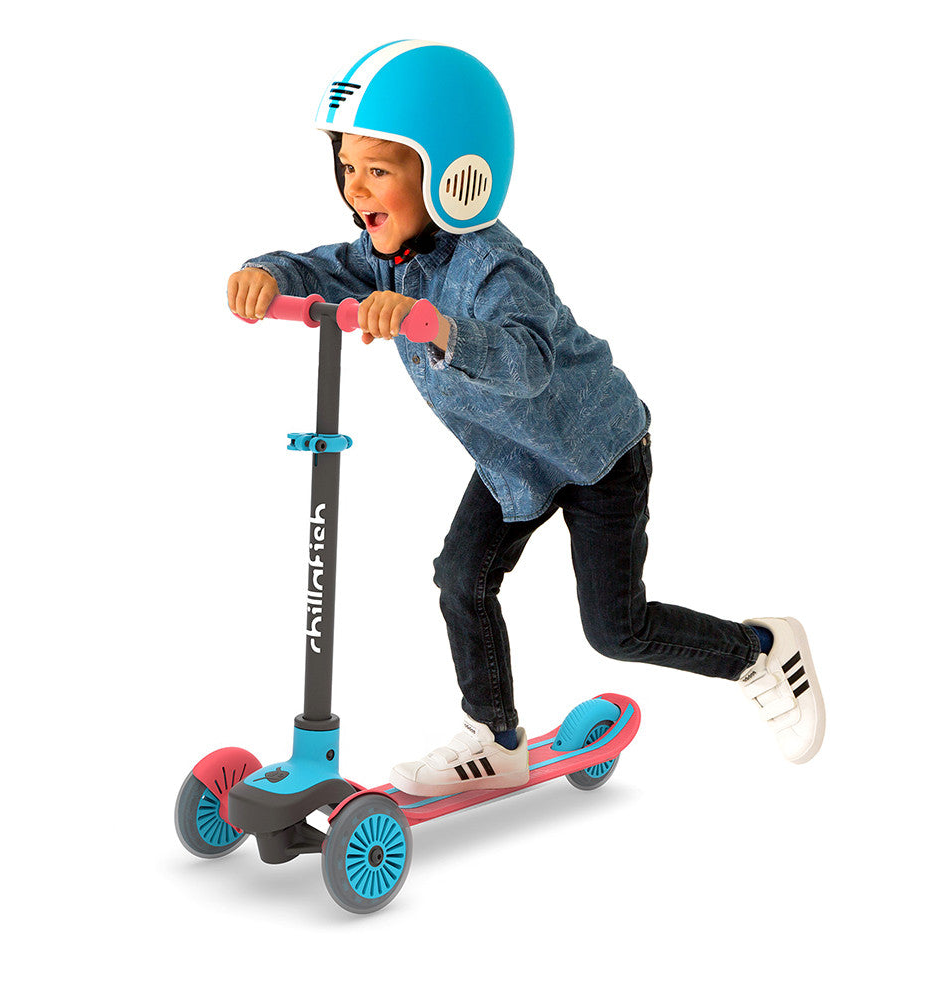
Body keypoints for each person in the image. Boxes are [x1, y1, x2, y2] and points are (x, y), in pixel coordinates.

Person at [227, 41, 826, 796]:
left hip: (597, 453)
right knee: (460, 577)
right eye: (347, 167)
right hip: (513, 460)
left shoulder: (494, 266)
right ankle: (495, 736)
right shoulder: (387, 256)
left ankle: (761, 651)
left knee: (617, 630)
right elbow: (322, 267)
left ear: (451, 174)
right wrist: (268, 273)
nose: (356, 189)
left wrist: (433, 326)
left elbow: (527, 363)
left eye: (378, 170)